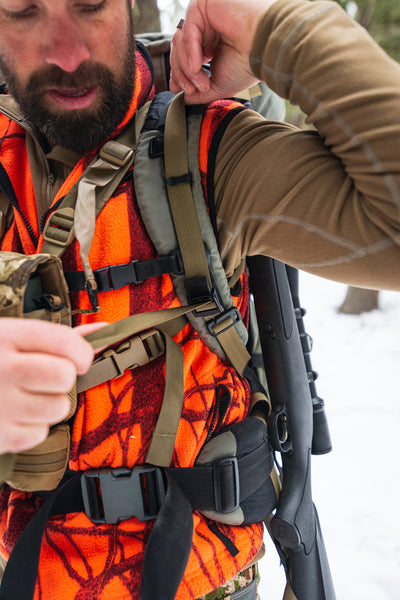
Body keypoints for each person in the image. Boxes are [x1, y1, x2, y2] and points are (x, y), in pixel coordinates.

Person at [0, 0, 399, 598]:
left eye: (90, 6)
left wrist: (277, 32)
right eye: (23, 9)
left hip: (205, 579)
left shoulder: (207, 152)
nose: (67, 51)